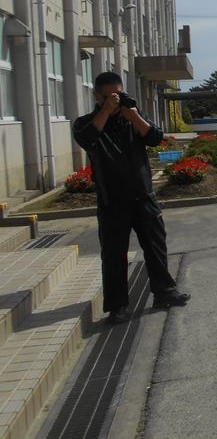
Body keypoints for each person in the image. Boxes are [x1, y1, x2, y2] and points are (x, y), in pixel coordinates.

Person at [72, 72, 190, 325]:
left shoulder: (132, 116)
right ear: (97, 96)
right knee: (114, 254)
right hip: (112, 199)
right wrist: (105, 111)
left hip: (143, 195)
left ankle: (164, 292)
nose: (116, 100)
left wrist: (134, 115)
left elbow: (156, 138)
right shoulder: (86, 122)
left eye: (119, 94)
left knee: (156, 244)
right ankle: (117, 306)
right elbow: (86, 139)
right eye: (110, 96)